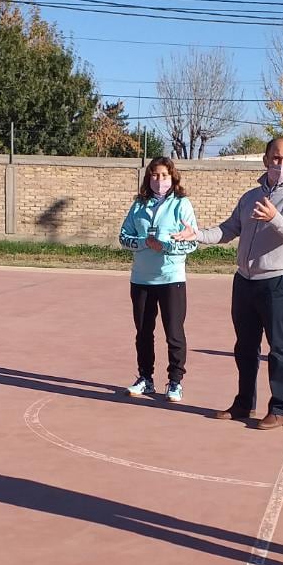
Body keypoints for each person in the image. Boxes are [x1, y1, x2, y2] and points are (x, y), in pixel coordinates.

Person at [175, 137, 283, 430]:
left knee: (280, 348)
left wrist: (275, 218)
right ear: (265, 160)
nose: (281, 165)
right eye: (276, 159)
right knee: (246, 347)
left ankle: (279, 408)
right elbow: (228, 230)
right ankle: (243, 403)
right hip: (245, 282)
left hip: (277, 283)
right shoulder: (250, 196)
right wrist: (196, 234)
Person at [118, 157, 199, 402]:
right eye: (154, 175)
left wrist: (166, 246)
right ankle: (145, 378)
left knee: (174, 332)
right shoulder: (138, 205)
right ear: (148, 178)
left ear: (173, 177)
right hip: (141, 279)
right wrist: (144, 243)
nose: (159, 180)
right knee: (143, 332)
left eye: (164, 175)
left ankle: (175, 382)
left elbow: (193, 242)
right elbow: (123, 237)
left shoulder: (182, 204)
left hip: (171, 278)